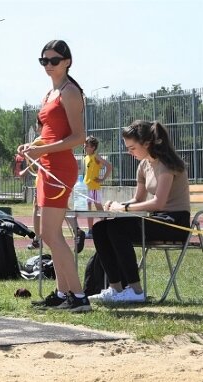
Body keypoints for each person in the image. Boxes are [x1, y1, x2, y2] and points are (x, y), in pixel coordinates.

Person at [17, 39, 89, 312]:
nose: (48, 65)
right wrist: (33, 146)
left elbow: (78, 137)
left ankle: (79, 296)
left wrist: (42, 148)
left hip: (59, 168)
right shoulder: (49, 94)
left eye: (54, 60)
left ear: (67, 61)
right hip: (46, 165)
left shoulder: (70, 92)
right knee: (48, 232)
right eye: (44, 61)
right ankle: (62, 293)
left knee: (50, 233)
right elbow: (49, 134)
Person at [90, 120, 190, 303]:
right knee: (100, 228)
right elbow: (138, 199)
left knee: (117, 229)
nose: (129, 152)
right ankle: (116, 289)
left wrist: (124, 208)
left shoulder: (167, 165)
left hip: (174, 223)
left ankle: (136, 291)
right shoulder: (143, 165)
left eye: (132, 148)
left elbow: (159, 203)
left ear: (146, 144)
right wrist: (116, 205)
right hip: (156, 219)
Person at [82, 135, 112, 237]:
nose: (85, 147)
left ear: (93, 147)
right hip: (87, 186)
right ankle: (90, 230)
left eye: (87, 146)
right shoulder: (86, 157)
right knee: (88, 208)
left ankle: (106, 228)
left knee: (98, 207)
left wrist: (102, 179)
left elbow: (109, 166)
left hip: (94, 187)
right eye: (84, 145)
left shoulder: (96, 156)